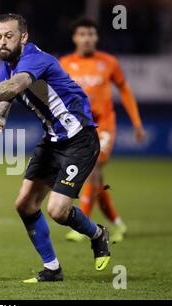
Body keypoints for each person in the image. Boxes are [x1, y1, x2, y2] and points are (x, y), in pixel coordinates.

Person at [0, 13, 110, 282]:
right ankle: (52, 269)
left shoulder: (36, 58)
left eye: (9, 36)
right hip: (52, 141)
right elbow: (7, 94)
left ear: (23, 37)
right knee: (25, 205)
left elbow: (19, 84)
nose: (3, 42)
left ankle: (97, 234)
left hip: (79, 139)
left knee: (57, 211)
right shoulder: (8, 64)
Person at [60, 17, 145, 243]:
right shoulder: (65, 63)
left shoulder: (108, 62)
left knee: (93, 168)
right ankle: (118, 224)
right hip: (79, 128)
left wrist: (136, 123)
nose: (86, 39)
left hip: (104, 125)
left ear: (96, 37)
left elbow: (125, 91)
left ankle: (82, 225)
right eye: (82, 34)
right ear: (74, 38)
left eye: (90, 34)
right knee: (96, 178)